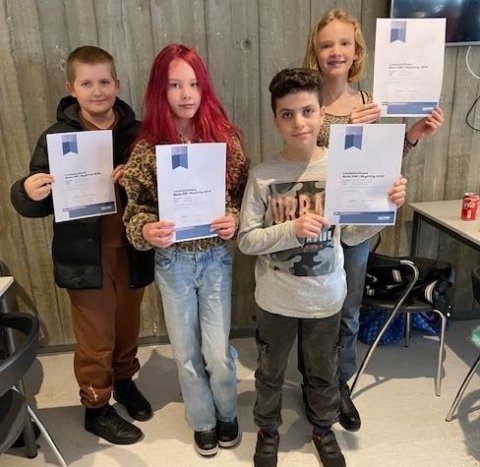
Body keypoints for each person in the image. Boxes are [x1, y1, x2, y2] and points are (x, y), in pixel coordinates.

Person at [237, 68, 407, 467]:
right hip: (276, 299)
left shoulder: (340, 168)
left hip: (326, 297)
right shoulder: (263, 176)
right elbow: (246, 240)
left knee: (323, 369)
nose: (299, 122)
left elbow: (350, 235)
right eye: (287, 114)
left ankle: (322, 427)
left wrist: (385, 208)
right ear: (275, 120)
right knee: (269, 371)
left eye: (308, 111)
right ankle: (267, 429)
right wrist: (291, 230)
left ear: (322, 114)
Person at [302, 7, 445, 432]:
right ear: (315, 50)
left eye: (344, 43)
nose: (336, 51)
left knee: (348, 308)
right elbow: (303, 155)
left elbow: (374, 163)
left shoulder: (368, 102)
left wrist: (414, 134)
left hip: (356, 226)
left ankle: (340, 385)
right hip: (314, 221)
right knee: (315, 308)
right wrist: (344, 128)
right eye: (327, 44)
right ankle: (313, 382)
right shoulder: (306, 98)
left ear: (357, 50)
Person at [10, 46, 154, 445]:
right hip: (84, 256)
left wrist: (135, 181)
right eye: (87, 83)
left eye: (104, 82)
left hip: (132, 249)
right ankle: (96, 407)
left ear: (117, 84)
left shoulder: (138, 133)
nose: (97, 91)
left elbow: (159, 190)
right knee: (96, 335)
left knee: (127, 325)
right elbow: (36, 200)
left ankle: (124, 381)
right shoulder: (57, 138)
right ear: (71, 88)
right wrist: (27, 192)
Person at [122, 44, 249, 457]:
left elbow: (243, 196)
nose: (186, 93)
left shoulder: (225, 139)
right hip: (173, 261)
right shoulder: (148, 148)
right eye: (175, 85)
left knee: (217, 351)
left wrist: (233, 218)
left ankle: (227, 411)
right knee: (186, 351)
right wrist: (147, 230)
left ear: (204, 86)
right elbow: (135, 210)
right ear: (160, 91)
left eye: (193, 83)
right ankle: (203, 420)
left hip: (214, 259)